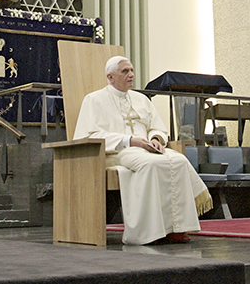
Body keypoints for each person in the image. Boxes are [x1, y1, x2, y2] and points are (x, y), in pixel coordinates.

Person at [73, 56, 213, 245]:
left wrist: (156, 139)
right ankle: (150, 231)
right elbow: (89, 134)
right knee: (152, 165)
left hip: (146, 149)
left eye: (131, 70)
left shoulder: (141, 99)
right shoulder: (94, 99)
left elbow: (157, 127)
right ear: (110, 77)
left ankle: (177, 228)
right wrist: (129, 140)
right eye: (125, 71)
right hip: (116, 152)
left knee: (179, 161)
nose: (131, 75)